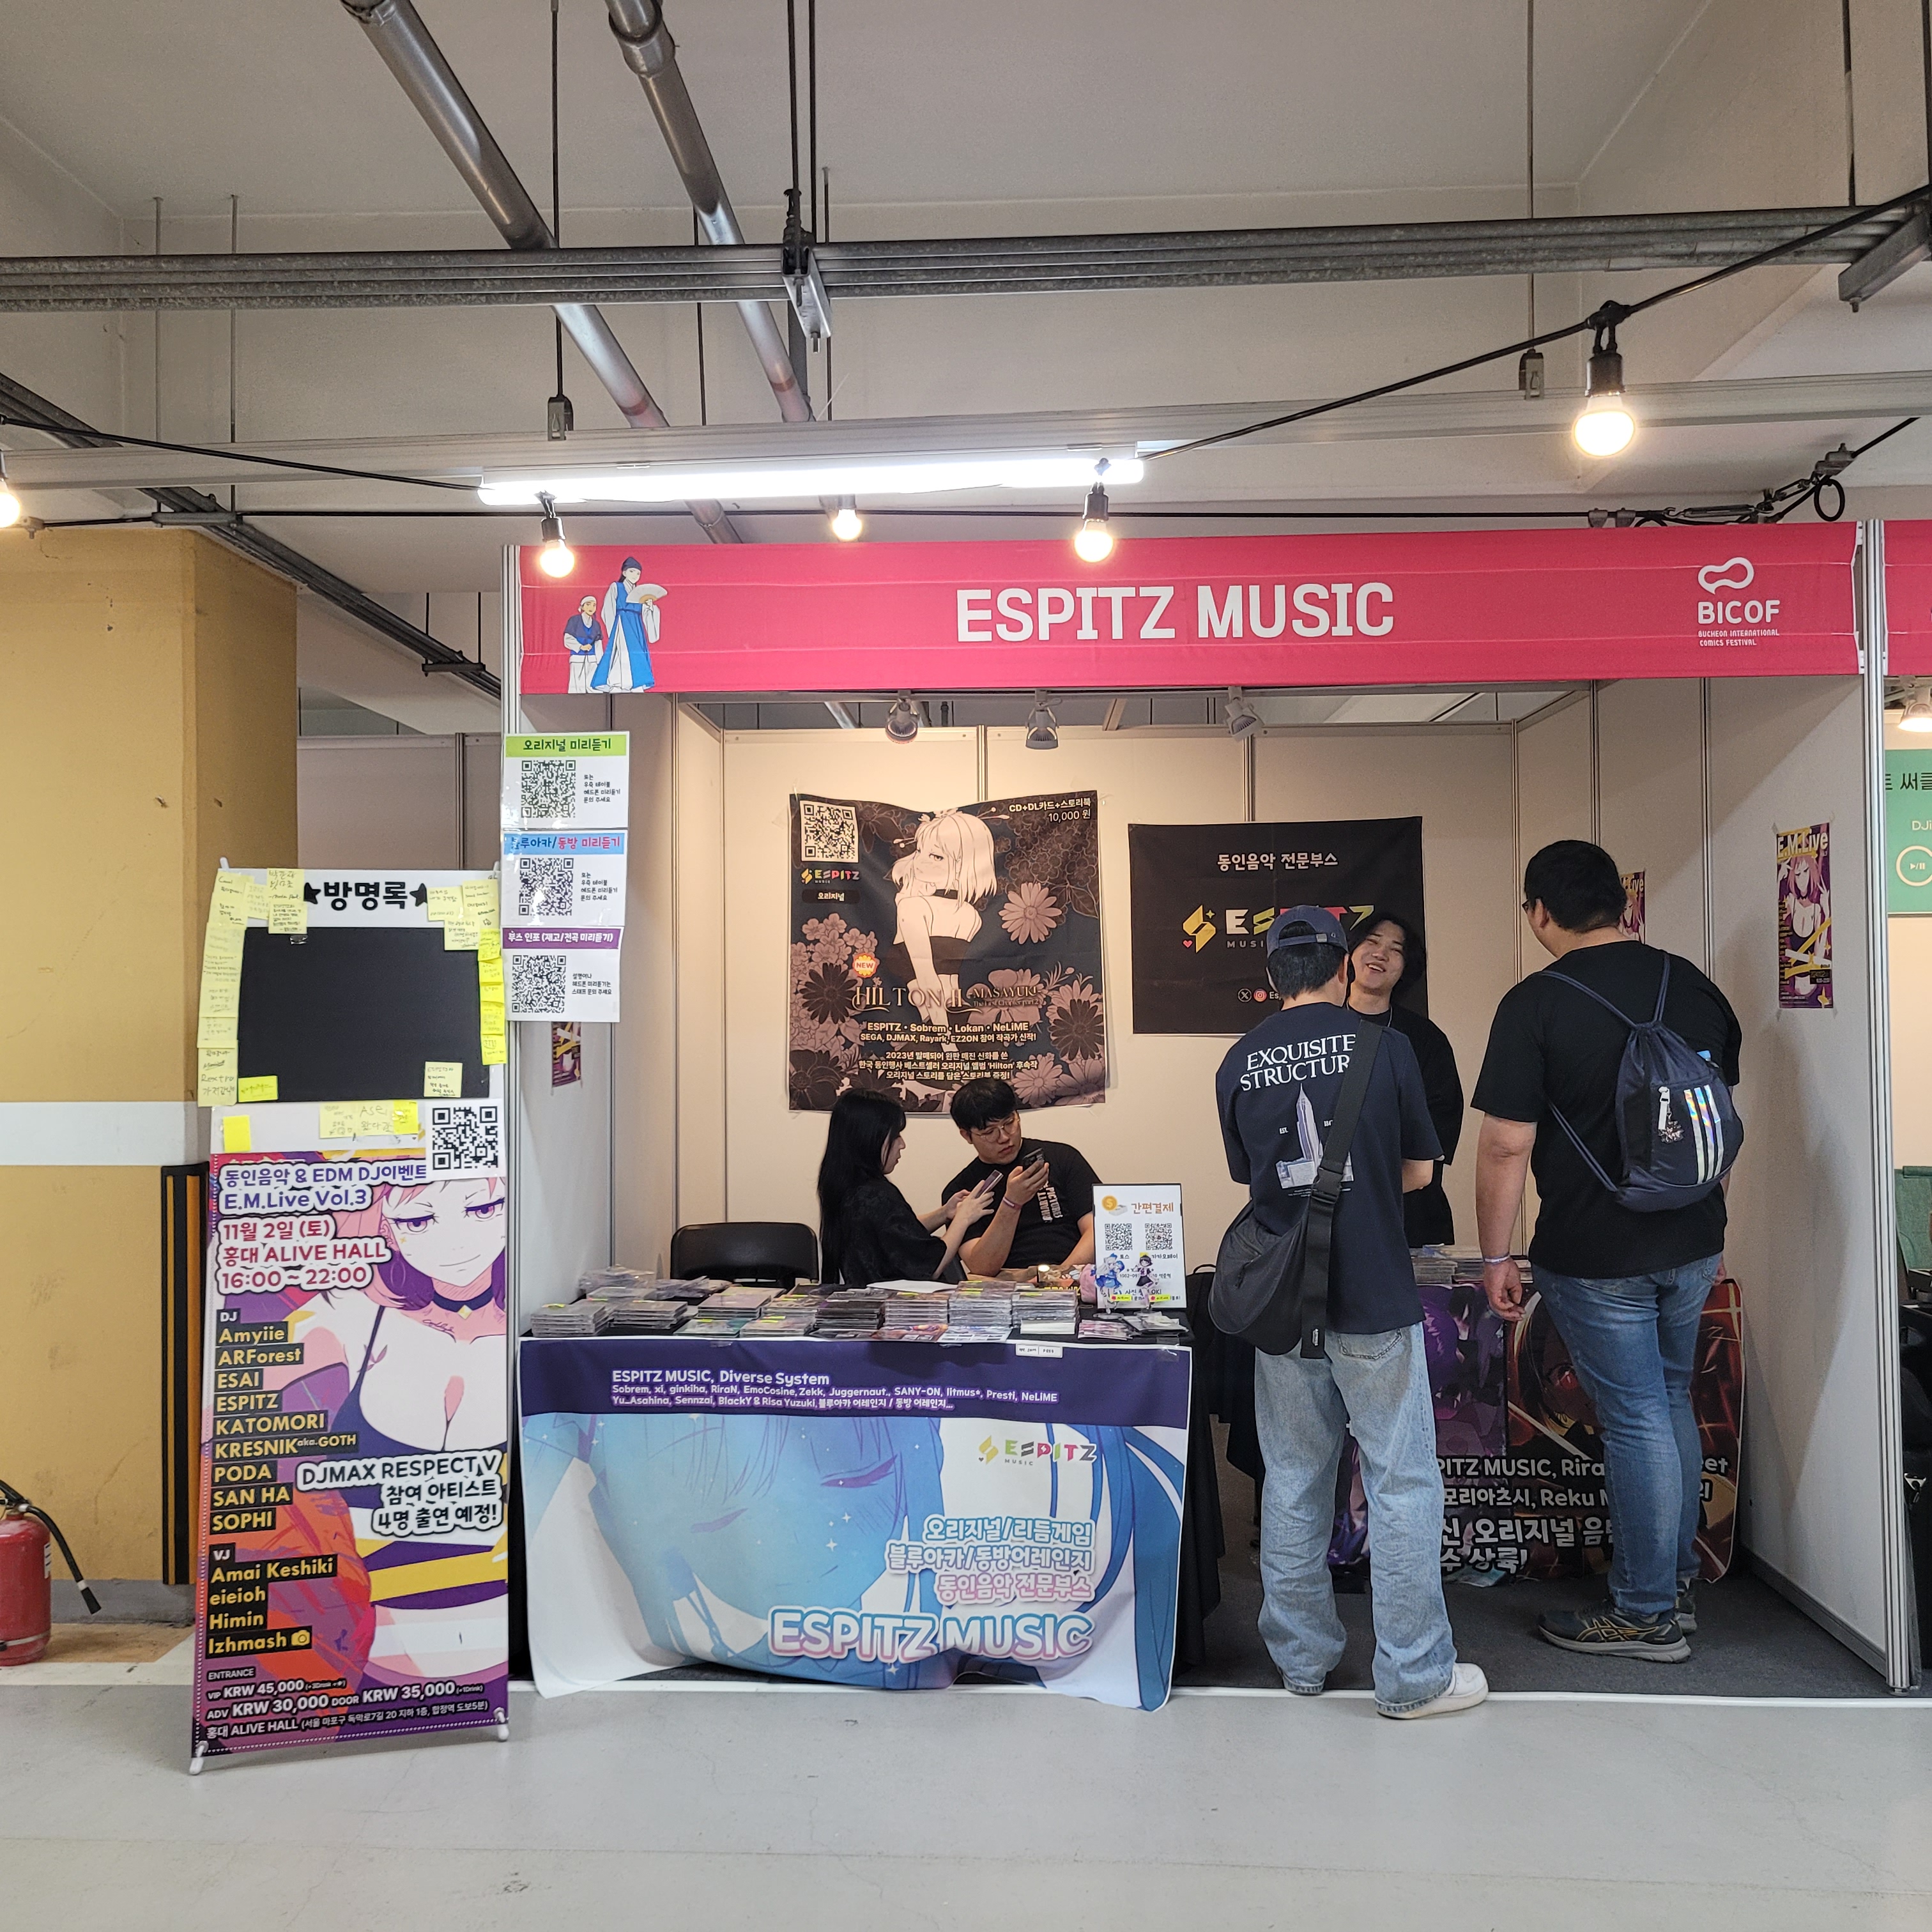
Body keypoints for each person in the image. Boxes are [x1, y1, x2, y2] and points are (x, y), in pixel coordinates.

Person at [1473, 839, 1742, 1661]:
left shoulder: (1535, 1004)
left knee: (1635, 1418)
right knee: (1667, 1402)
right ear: (1621, 902)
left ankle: (1645, 1612)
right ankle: (1674, 1584)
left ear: (1539, 912)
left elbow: (1505, 1146)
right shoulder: (1690, 984)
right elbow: (1716, 1118)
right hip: (1693, 1236)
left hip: (1596, 1251)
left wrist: (1495, 1257)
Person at [1216, 906, 1486, 1719]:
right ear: (1342, 968)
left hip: (1281, 1303)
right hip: (1371, 1289)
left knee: (1295, 1478)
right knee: (1402, 1482)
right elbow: (1419, 1173)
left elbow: (1253, 1176)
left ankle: (1301, 1662)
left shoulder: (1239, 1060)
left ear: (1271, 976)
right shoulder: (1386, 1046)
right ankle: (1413, 1677)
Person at [1346, 908, 1464, 1248]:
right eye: (1372, 942)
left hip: (1411, 1215)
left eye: (1395, 949)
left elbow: (1439, 1129)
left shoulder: (1425, 1039)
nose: (1381, 954)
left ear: (1406, 968)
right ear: (1350, 953)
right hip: (1330, 1214)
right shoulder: (1316, 1030)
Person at [816, 1089, 997, 1285]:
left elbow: (899, 1235)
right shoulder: (875, 1195)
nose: (902, 1145)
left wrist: (945, 1213)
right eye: (895, 1136)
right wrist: (964, 1218)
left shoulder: (846, 1186)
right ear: (870, 1138)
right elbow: (930, 1266)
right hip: (890, 1301)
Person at [942, 1077, 1099, 1275]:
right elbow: (982, 1267)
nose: (1004, 1138)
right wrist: (1012, 1203)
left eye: (1009, 1123)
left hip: (1071, 1273)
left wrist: (1058, 1277)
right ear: (967, 1135)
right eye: (989, 1132)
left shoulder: (1063, 1157)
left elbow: (1097, 1230)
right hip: (1007, 1281)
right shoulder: (961, 1191)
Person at [888, 810, 999, 1028]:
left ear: (964, 865)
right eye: (919, 850)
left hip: (935, 1022)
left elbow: (928, 979)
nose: (920, 861)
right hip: (957, 1015)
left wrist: (946, 1041)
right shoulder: (971, 915)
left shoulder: (913, 907)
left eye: (936, 856)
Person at [593, 558, 663, 692]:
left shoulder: (640, 592)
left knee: (637, 652)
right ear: (624, 573)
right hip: (622, 622)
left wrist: (650, 607)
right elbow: (608, 608)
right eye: (632, 572)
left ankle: (636, 682)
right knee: (622, 651)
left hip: (636, 623)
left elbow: (645, 612)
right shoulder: (616, 587)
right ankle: (617, 681)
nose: (635, 575)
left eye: (638, 573)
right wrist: (613, 629)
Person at [562, 594, 608, 694]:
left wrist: (600, 661)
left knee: (592, 687)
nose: (591, 608)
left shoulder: (596, 624)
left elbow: (598, 643)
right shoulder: (574, 621)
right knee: (577, 687)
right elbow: (568, 639)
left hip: (592, 660)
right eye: (588, 604)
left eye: (594, 605)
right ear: (582, 607)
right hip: (578, 659)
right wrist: (581, 647)